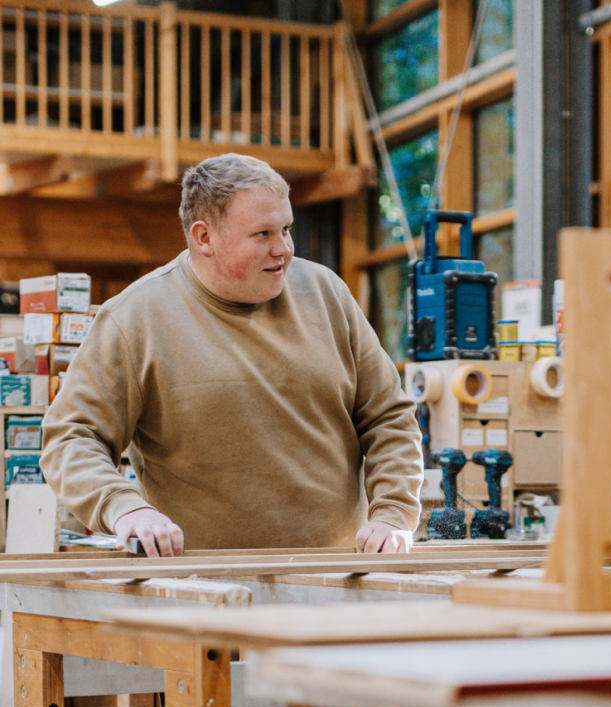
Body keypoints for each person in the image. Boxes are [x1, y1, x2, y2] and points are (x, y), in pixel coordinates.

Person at [42, 153, 423, 557]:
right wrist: (124, 508)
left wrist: (392, 513)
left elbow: (389, 417)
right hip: (203, 587)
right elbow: (70, 437)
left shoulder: (326, 293)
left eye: (287, 229)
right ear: (204, 238)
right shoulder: (134, 318)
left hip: (339, 575)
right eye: (262, 234)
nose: (284, 249)